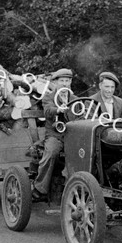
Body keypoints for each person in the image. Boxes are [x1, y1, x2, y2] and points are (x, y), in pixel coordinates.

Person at [32, 68, 77, 200]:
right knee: (51, 152)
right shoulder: (48, 97)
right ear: (56, 83)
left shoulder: (75, 99)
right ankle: (40, 188)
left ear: (70, 83)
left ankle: (76, 187)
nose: (64, 84)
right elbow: (47, 111)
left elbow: (81, 117)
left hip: (73, 136)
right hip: (54, 135)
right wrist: (58, 110)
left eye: (67, 81)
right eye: (61, 81)